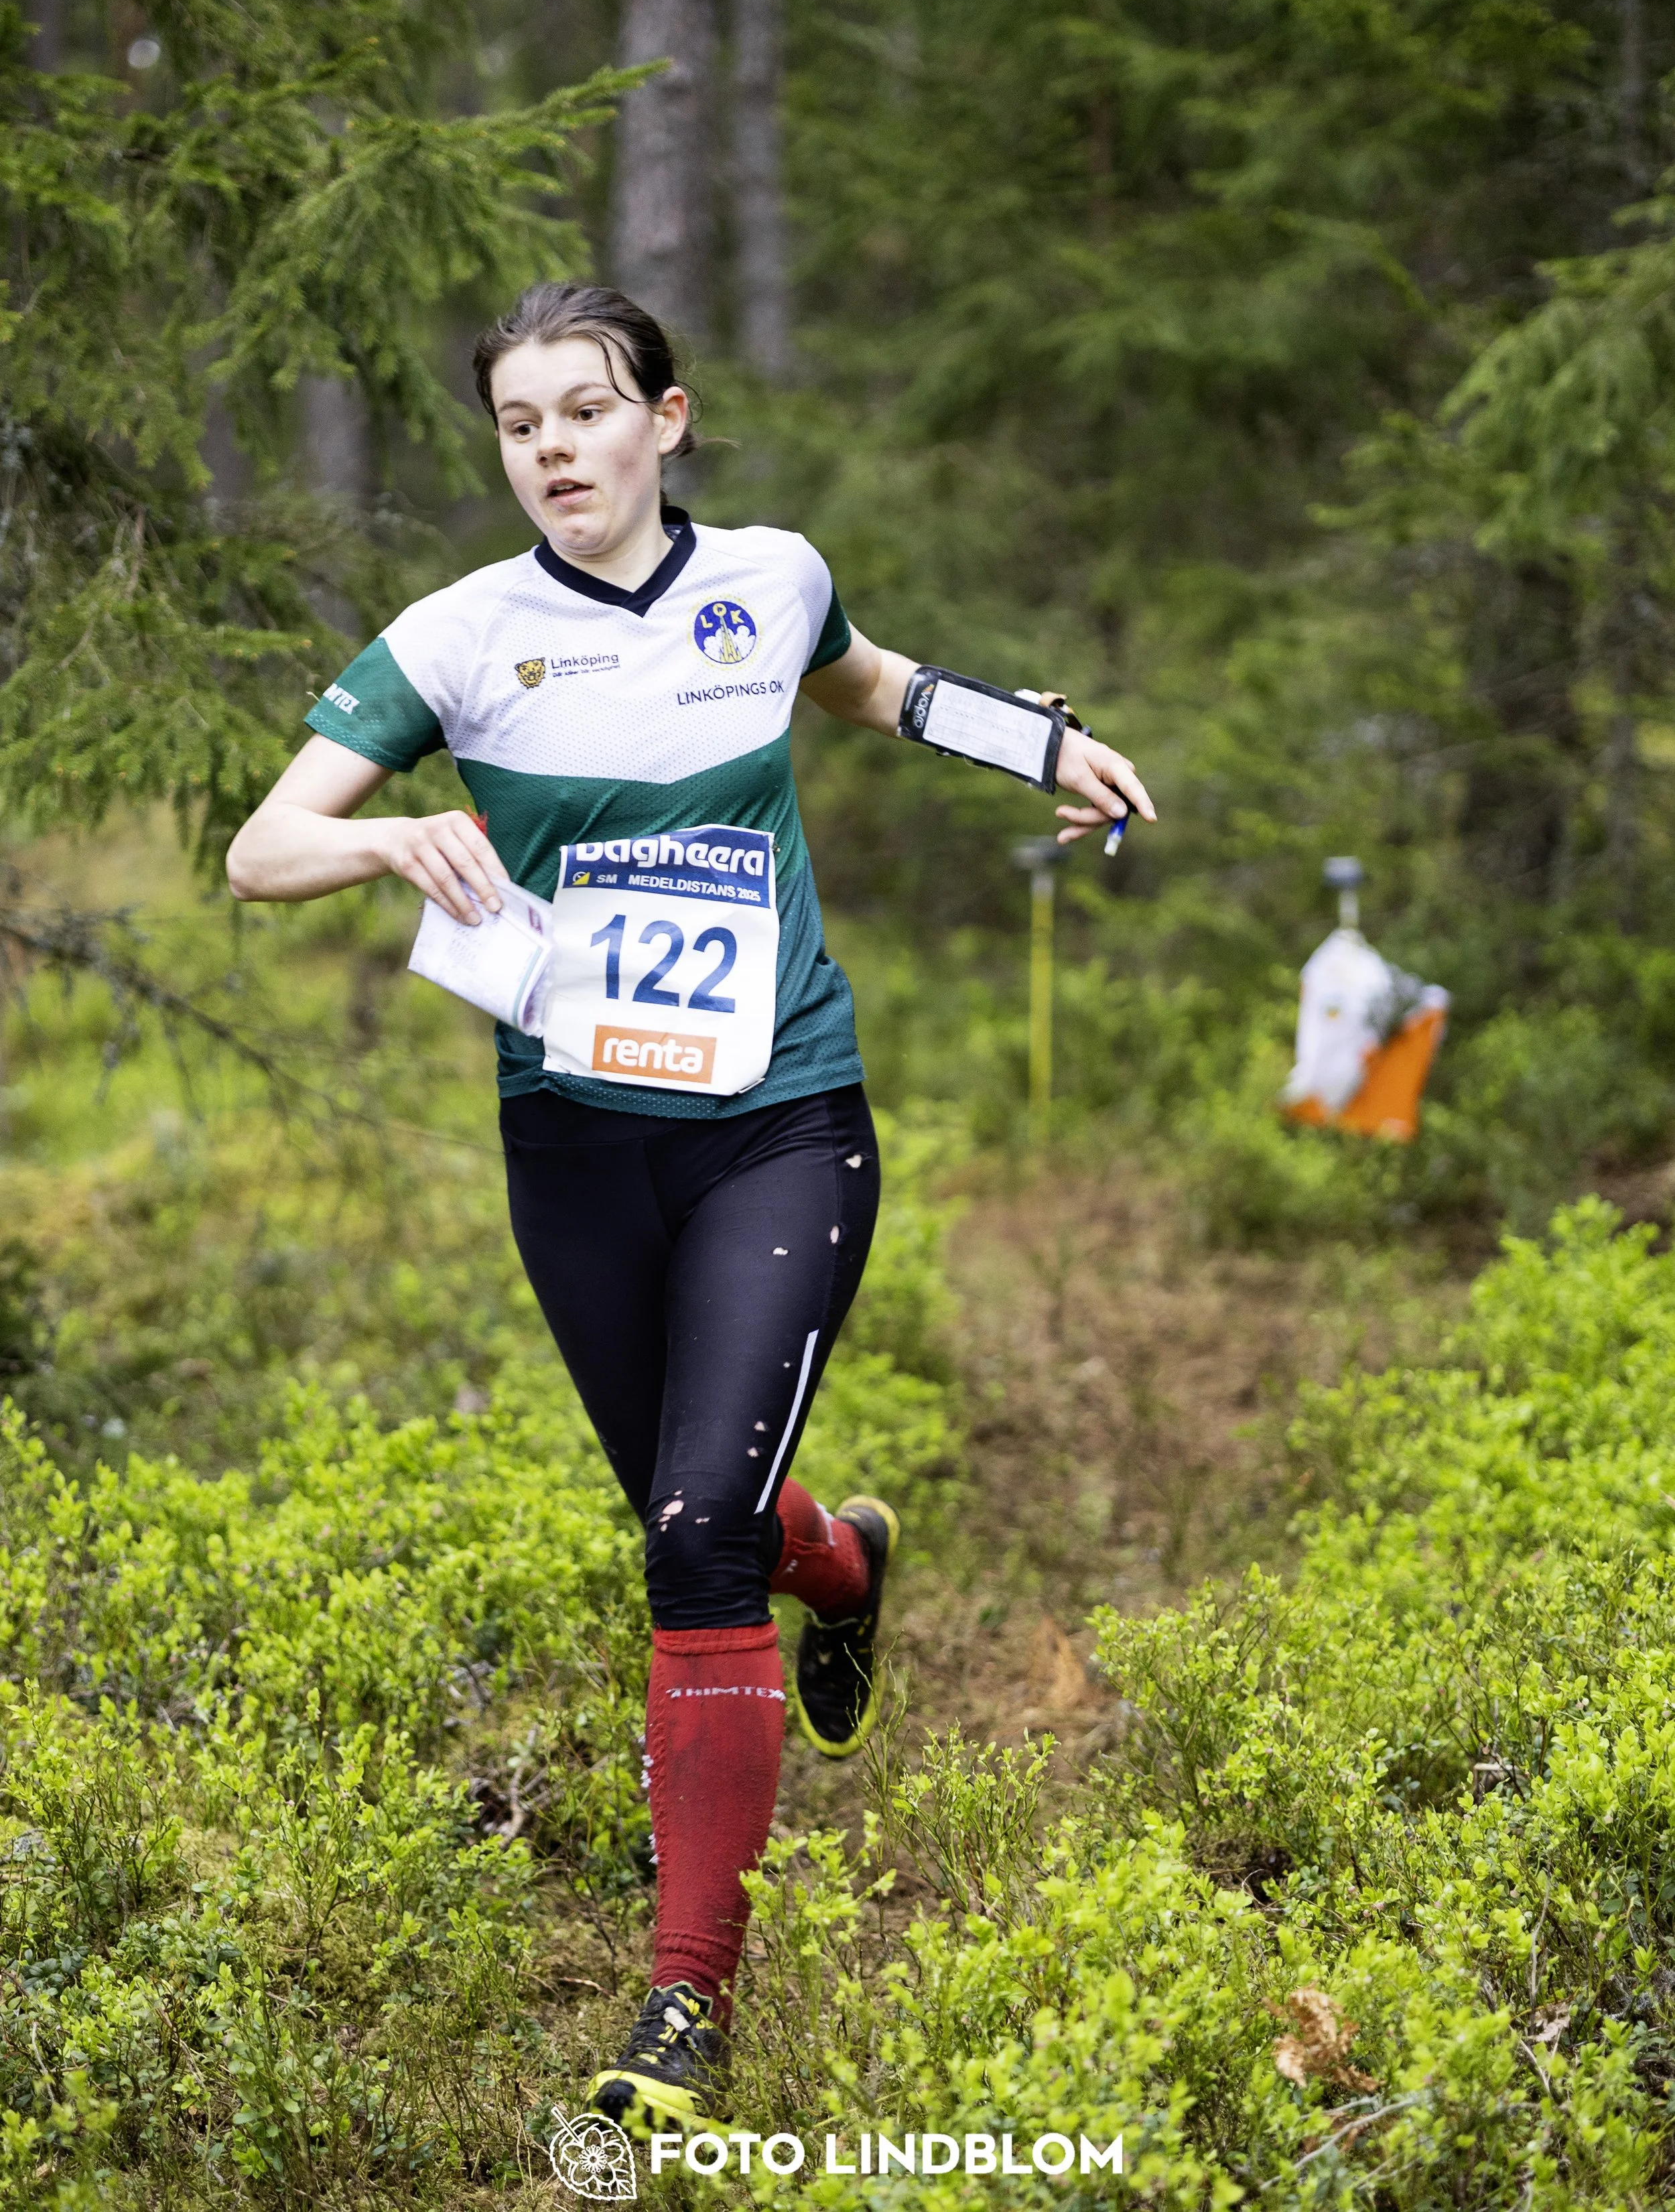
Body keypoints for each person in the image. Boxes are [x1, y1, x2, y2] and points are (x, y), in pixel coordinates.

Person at [224, 283, 1154, 2130]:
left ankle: (684, 2008)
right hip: (573, 1141)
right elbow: (262, 850)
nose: (553, 447)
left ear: (669, 418)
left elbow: (870, 685)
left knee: (686, 1530)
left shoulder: (775, 577)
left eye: (585, 409)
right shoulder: (459, 636)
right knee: (697, 1495)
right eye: (518, 423)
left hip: (780, 1120)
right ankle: (847, 1556)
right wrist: (385, 833)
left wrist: (1035, 745)